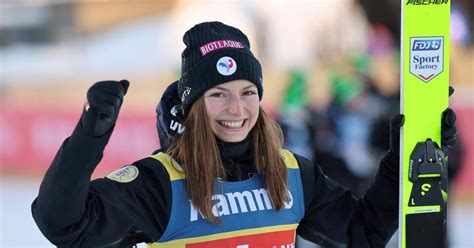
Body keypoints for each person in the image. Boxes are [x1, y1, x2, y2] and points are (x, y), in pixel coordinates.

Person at [31, 21, 458, 248]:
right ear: (194, 106)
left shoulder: (291, 173)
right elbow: (63, 225)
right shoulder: (160, 184)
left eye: (247, 92)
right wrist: (90, 135)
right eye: (218, 95)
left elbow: (361, 235)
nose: (237, 110)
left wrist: (397, 161)